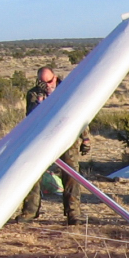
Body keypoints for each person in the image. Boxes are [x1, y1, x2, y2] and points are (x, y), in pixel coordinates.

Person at [18, 66, 91, 225]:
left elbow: (78, 114)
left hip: (66, 138)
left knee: (71, 175)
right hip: (42, 139)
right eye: (42, 82)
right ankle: (30, 211)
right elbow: (30, 116)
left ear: (55, 78)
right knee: (33, 174)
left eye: (49, 81)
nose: (47, 85)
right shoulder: (34, 94)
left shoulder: (68, 91)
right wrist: (39, 105)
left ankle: (73, 214)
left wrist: (85, 138)